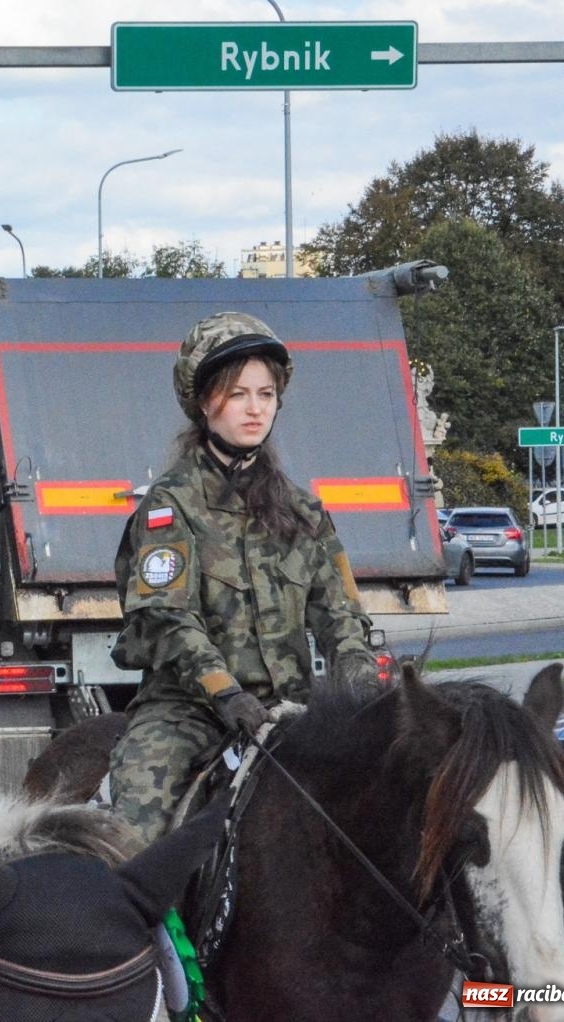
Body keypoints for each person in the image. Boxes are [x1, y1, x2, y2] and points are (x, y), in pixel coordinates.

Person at [106, 311, 376, 847]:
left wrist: (366, 698)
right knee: (137, 827)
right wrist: (225, 693)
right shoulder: (170, 506)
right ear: (205, 402)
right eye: (238, 394)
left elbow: (343, 620)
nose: (256, 408)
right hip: (190, 712)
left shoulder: (305, 512)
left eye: (266, 394)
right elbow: (166, 618)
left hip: (292, 711)